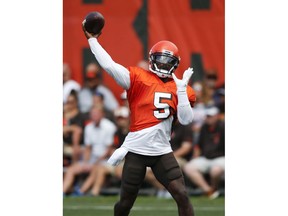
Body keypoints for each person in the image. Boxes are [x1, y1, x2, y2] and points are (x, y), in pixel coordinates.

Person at [82, 22, 196, 216]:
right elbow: (109, 65)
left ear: (175, 64)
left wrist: (182, 91)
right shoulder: (137, 77)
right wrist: (92, 40)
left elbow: (186, 120)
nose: (162, 64)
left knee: (182, 195)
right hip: (136, 151)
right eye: (159, 59)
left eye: (167, 61)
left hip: (161, 151)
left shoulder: (181, 88)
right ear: (151, 59)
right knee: (125, 203)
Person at [63, 105, 117, 195]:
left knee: (96, 168)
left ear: (102, 114)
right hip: (93, 159)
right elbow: (88, 148)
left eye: (96, 114)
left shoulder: (109, 127)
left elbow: (109, 150)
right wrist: (86, 162)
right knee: (71, 169)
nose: (94, 116)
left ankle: (81, 191)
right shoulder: (88, 127)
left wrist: (94, 162)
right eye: (92, 114)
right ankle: (62, 192)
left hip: (106, 160)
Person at [183, 106, 225, 199]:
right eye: (207, 116)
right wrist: (195, 157)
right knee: (189, 167)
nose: (208, 118)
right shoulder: (204, 127)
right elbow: (198, 145)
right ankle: (208, 191)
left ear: (217, 116)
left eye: (210, 116)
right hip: (206, 158)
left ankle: (214, 189)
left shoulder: (223, 127)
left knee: (215, 170)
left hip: (221, 158)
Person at [63, 90, 85, 166]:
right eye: (67, 102)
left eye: (71, 102)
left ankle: (74, 164)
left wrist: (67, 128)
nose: (69, 105)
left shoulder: (80, 115)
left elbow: (78, 129)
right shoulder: (64, 114)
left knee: (77, 132)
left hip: (75, 143)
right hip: (64, 141)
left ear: (76, 103)